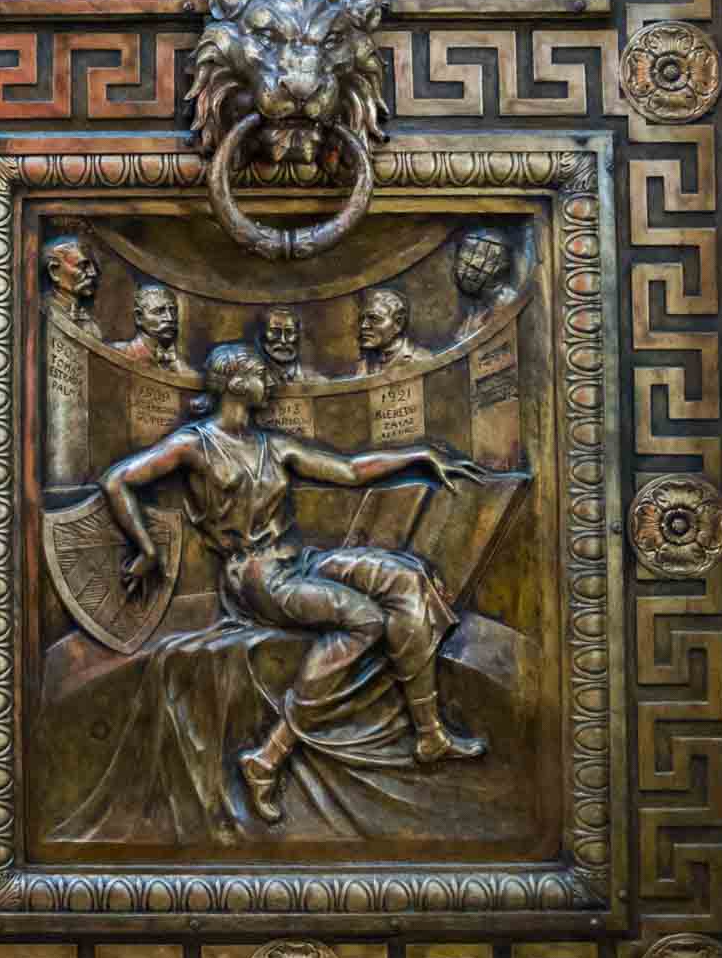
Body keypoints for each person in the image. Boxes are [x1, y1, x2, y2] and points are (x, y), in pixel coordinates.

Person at [99, 340, 487, 822]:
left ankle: (429, 733)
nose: (272, 381)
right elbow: (117, 480)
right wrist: (146, 548)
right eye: (261, 373)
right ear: (234, 382)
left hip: (296, 561)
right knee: (366, 619)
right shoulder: (193, 445)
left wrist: (419, 455)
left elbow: (348, 470)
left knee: (404, 578)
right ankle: (268, 758)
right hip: (253, 576)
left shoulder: (273, 445)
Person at [109, 282, 184, 370]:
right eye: (159, 311)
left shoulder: (184, 369)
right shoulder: (116, 354)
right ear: (139, 317)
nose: (170, 318)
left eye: (172, 310)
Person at [41, 232, 100, 334]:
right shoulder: (40, 314)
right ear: (54, 271)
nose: (93, 273)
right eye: (82, 265)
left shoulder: (91, 326)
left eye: (93, 266)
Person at [355, 285, 421, 375]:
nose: (363, 325)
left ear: (398, 323)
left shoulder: (419, 359)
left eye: (374, 318)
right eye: (361, 319)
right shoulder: (362, 363)